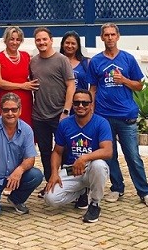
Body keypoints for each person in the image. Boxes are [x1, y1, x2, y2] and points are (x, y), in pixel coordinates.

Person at [89, 23, 148, 208]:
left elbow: (139, 85)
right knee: (109, 155)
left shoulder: (128, 59)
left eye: (113, 34)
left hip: (126, 115)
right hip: (103, 116)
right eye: (106, 35)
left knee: (133, 155)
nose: (110, 38)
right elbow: (93, 89)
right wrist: (92, 112)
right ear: (102, 38)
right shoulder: (95, 61)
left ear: (118, 37)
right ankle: (117, 187)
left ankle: (145, 192)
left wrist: (124, 80)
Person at [44, 90, 112, 223]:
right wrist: (54, 173)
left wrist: (84, 158)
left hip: (91, 168)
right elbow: (57, 151)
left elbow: (107, 151)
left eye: (85, 102)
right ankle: (81, 192)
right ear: (73, 105)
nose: (80, 105)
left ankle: (95, 203)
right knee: (50, 199)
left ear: (91, 105)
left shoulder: (101, 123)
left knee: (99, 165)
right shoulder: (65, 124)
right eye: (76, 102)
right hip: (72, 170)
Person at [0, 93, 43, 218]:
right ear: (1, 111)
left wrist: (19, 170)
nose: (10, 113)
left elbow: (30, 158)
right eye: (6, 110)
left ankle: (15, 199)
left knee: (36, 175)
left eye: (14, 109)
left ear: (20, 110)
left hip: (14, 178)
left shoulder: (27, 130)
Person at [29, 27, 75, 196]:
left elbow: (71, 85)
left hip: (59, 114)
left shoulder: (62, 60)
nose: (41, 43)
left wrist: (66, 111)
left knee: (65, 151)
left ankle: (68, 185)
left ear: (51, 40)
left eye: (44, 39)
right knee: (45, 151)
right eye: (38, 40)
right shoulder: (33, 62)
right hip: (39, 115)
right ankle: (50, 183)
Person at [0, 26, 38, 129]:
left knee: (26, 128)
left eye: (18, 39)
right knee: (8, 128)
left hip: (25, 100)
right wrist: (22, 86)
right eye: (12, 39)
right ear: (6, 40)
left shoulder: (25, 56)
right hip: (6, 99)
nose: (15, 42)